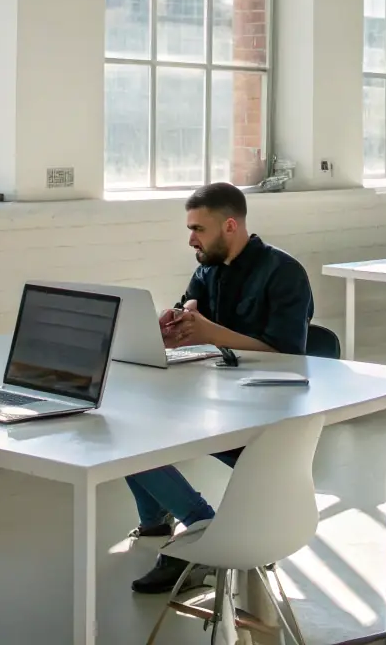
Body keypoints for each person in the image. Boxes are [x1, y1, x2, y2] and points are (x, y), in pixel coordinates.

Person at [127, 182, 315, 594]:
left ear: (230, 225)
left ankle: (201, 527)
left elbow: (288, 354)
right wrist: (170, 329)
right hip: (218, 400)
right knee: (127, 424)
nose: (191, 239)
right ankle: (156, 521)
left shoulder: (284, 273)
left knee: (133, 440)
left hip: (267, 411)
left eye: (199, 229)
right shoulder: (206, 269)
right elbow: (191, 323)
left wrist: (210, 332)